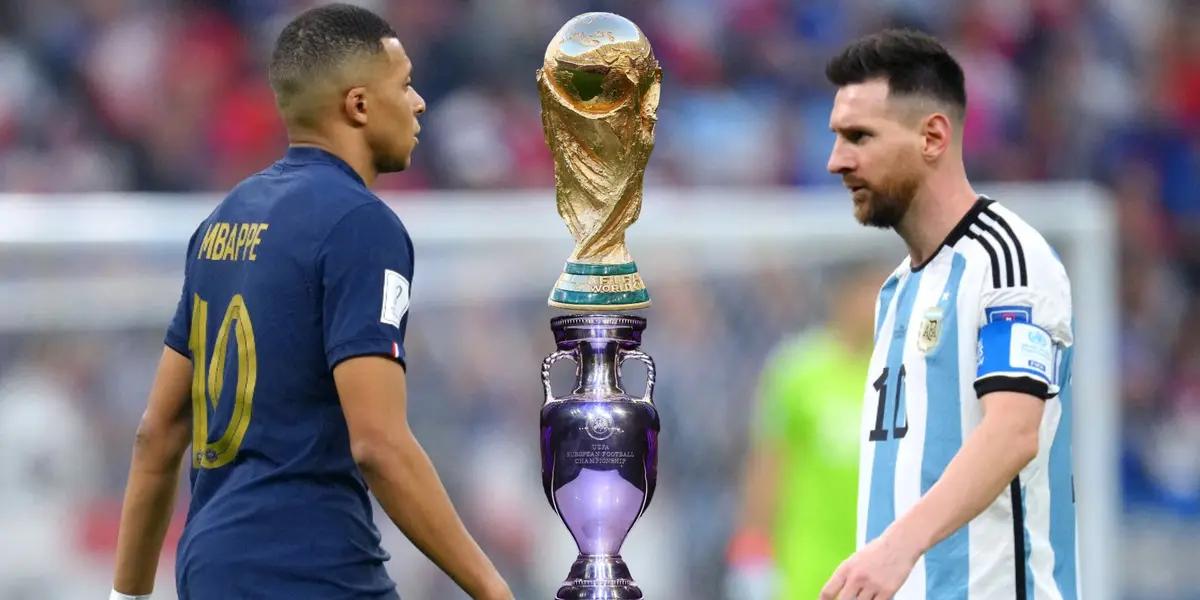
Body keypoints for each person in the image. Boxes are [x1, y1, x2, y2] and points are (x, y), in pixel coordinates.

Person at [110, 4, 512, 599]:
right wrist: (493, 590)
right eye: (404, 85)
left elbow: (159, 432)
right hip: (311, 567)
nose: (419, 102)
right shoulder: (362, 225)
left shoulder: (222, 221)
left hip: (211, 568)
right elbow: (378, 443)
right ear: (358, 105)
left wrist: (127, 595)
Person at [819, 30, 1077, 600]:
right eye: (837, 137)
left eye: (858, 136)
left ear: (933, 136)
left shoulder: (1008, 260)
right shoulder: (896, 290)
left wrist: (895, 549)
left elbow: (1012, 432)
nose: (837, 160)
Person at [727, 264, 882, 599]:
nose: (876, 303)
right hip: (808, 560)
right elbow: (768, 464)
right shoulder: (797, 370)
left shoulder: (894, 367)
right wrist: (753, 549)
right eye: (868, 292)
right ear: (842, 297)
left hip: (879, 556)